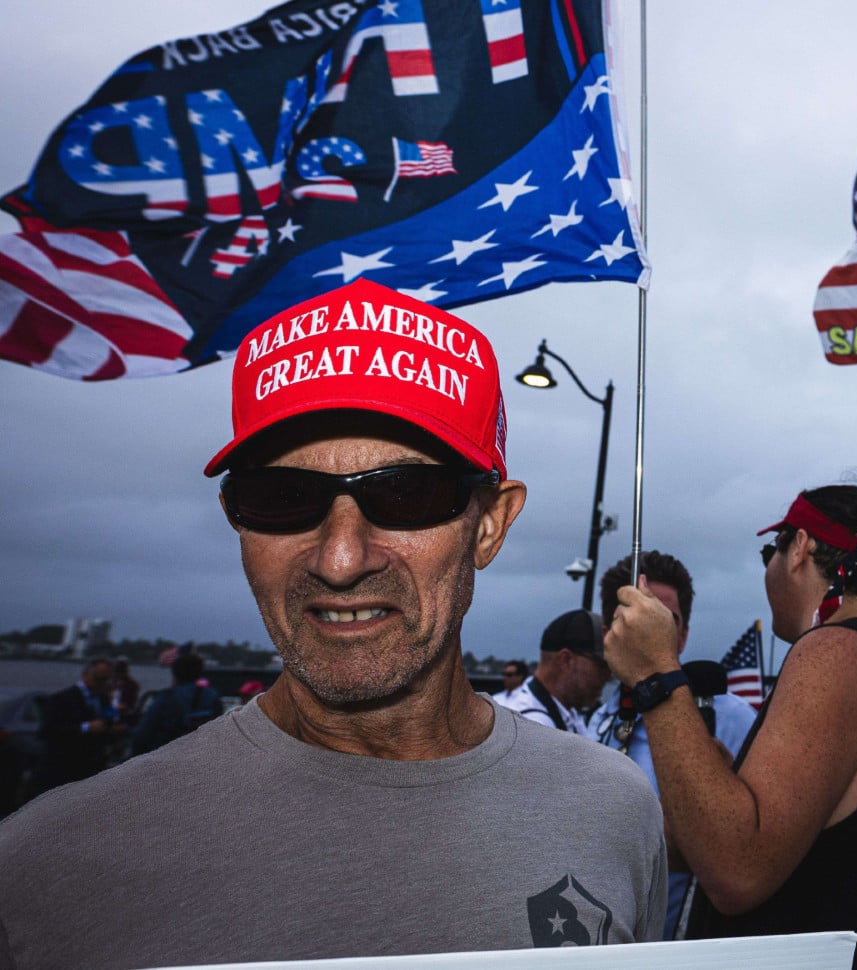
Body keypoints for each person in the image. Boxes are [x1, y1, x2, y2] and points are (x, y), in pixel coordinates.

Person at [0, 279, 666, 970]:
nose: (341, 559)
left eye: (406, 493)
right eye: (282, 498)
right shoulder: (51, 870)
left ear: (490, 524)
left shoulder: (613, 810)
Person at [605, 476, 857, 969]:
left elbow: (735, 871)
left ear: (800, 549)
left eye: (770, 551)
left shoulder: (838, 650)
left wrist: (655, 674)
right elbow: (749, 848)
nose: (767, 567)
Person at [590, 550, 760, 938]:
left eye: (665, 621)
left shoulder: (733, 719)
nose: (646, 630)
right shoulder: (593, 725)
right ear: (608, 631)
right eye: (632, 615)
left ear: (681, 635)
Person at [507, 609, 609, 737]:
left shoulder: (568, 711)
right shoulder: (534, 727)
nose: (608, 677)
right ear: (565, 660)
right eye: (601, 667)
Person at [34, 658, 119, 792]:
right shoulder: (61, 699)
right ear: (86, 675)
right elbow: (47, 731)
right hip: (64, 766)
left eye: (107, 680)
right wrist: (85, 727)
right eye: (100, 679)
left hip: (92, 767)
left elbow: (109, 717)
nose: (103, 684)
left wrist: (114, 721)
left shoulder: (103, 698)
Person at [128, 651, 223, 756]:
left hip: (167, 757)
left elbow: (142, 736)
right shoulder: (212, 696)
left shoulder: (167, 698)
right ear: (200, 673)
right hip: (201, 755)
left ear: (174, 673)